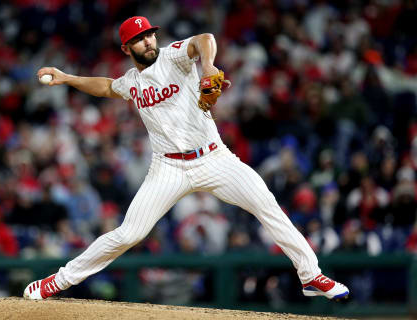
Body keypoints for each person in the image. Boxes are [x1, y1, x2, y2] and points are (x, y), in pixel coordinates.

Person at [23, 16, 349, 301]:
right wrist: (67, 78)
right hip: (168, 167)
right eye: (139, 39)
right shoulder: (133, 81)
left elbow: (204, 40)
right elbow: (107, 86)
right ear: (126, 49)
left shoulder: (173, 57)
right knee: (129, 234)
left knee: (266, 203)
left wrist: (207, 67)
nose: (148, 41)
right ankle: (58, 280)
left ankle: (310, 276)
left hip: (214, 158)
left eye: (149, 34)